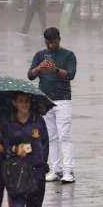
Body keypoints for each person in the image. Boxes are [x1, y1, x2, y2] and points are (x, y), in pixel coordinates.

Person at [2, 92, 49, 207]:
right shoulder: (8, 123)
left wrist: (41, 162)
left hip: (36, 171)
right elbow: (4, 145)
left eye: (27, 101)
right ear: (14, 103)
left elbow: (45, 143)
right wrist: (15, 150)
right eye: (21, 101)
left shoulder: (38, 121)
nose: (24, 104)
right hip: (16, 172)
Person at [29, 27, 76, 184]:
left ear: (59, 39)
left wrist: (55, 70)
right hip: (45, 100)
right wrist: (39, 68)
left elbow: (71, 75)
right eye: (48, 42)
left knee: (64, 135)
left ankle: (68, 170)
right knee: (50, 136)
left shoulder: (68, 55)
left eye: (53, 42)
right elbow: (30, 75)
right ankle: (55, 169)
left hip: (63, 99)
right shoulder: (40, 55)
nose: (50, 45)